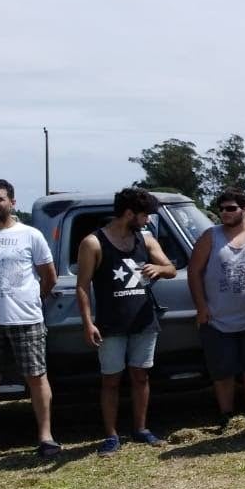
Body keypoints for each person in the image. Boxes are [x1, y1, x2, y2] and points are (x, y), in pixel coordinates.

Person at [74, 187, 178, 455]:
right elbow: (82, 286)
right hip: (111, 323)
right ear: (130, 213)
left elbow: (171, 268)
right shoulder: (93, 243)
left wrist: (159, 269)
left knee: (141, 376)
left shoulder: (147, 241)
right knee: (110, 380)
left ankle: (141, 429)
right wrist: (88, 323)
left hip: (143, 320)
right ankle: (111, 435)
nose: (148, 221)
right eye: (145, 216)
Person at [0, 178, 61, 462]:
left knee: (36, 377)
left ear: (12, 202)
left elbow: (49, 276)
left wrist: (31, 300)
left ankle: (46, 438)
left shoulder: (30, 235)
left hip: (26, 319)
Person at [188, 190, 245, 428]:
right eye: (221, 209)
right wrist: (201, 307)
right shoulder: (210, 237)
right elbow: (194, 272)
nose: (224, 213)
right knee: (222, 368)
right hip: (217, 317)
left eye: (230, 208)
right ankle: (226, 414)